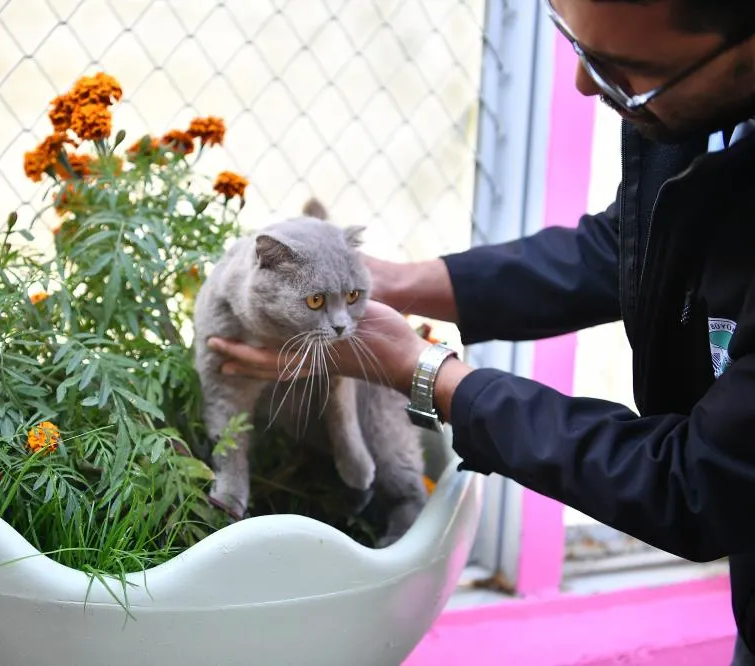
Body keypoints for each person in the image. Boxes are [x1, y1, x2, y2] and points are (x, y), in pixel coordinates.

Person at [205, 0, 755, 662]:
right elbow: (634, 247)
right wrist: (396, 281)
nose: (583, 86)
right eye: (574, 45)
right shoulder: (705, 107)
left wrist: (429, 374)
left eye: (623, 70)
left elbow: (696, 484)